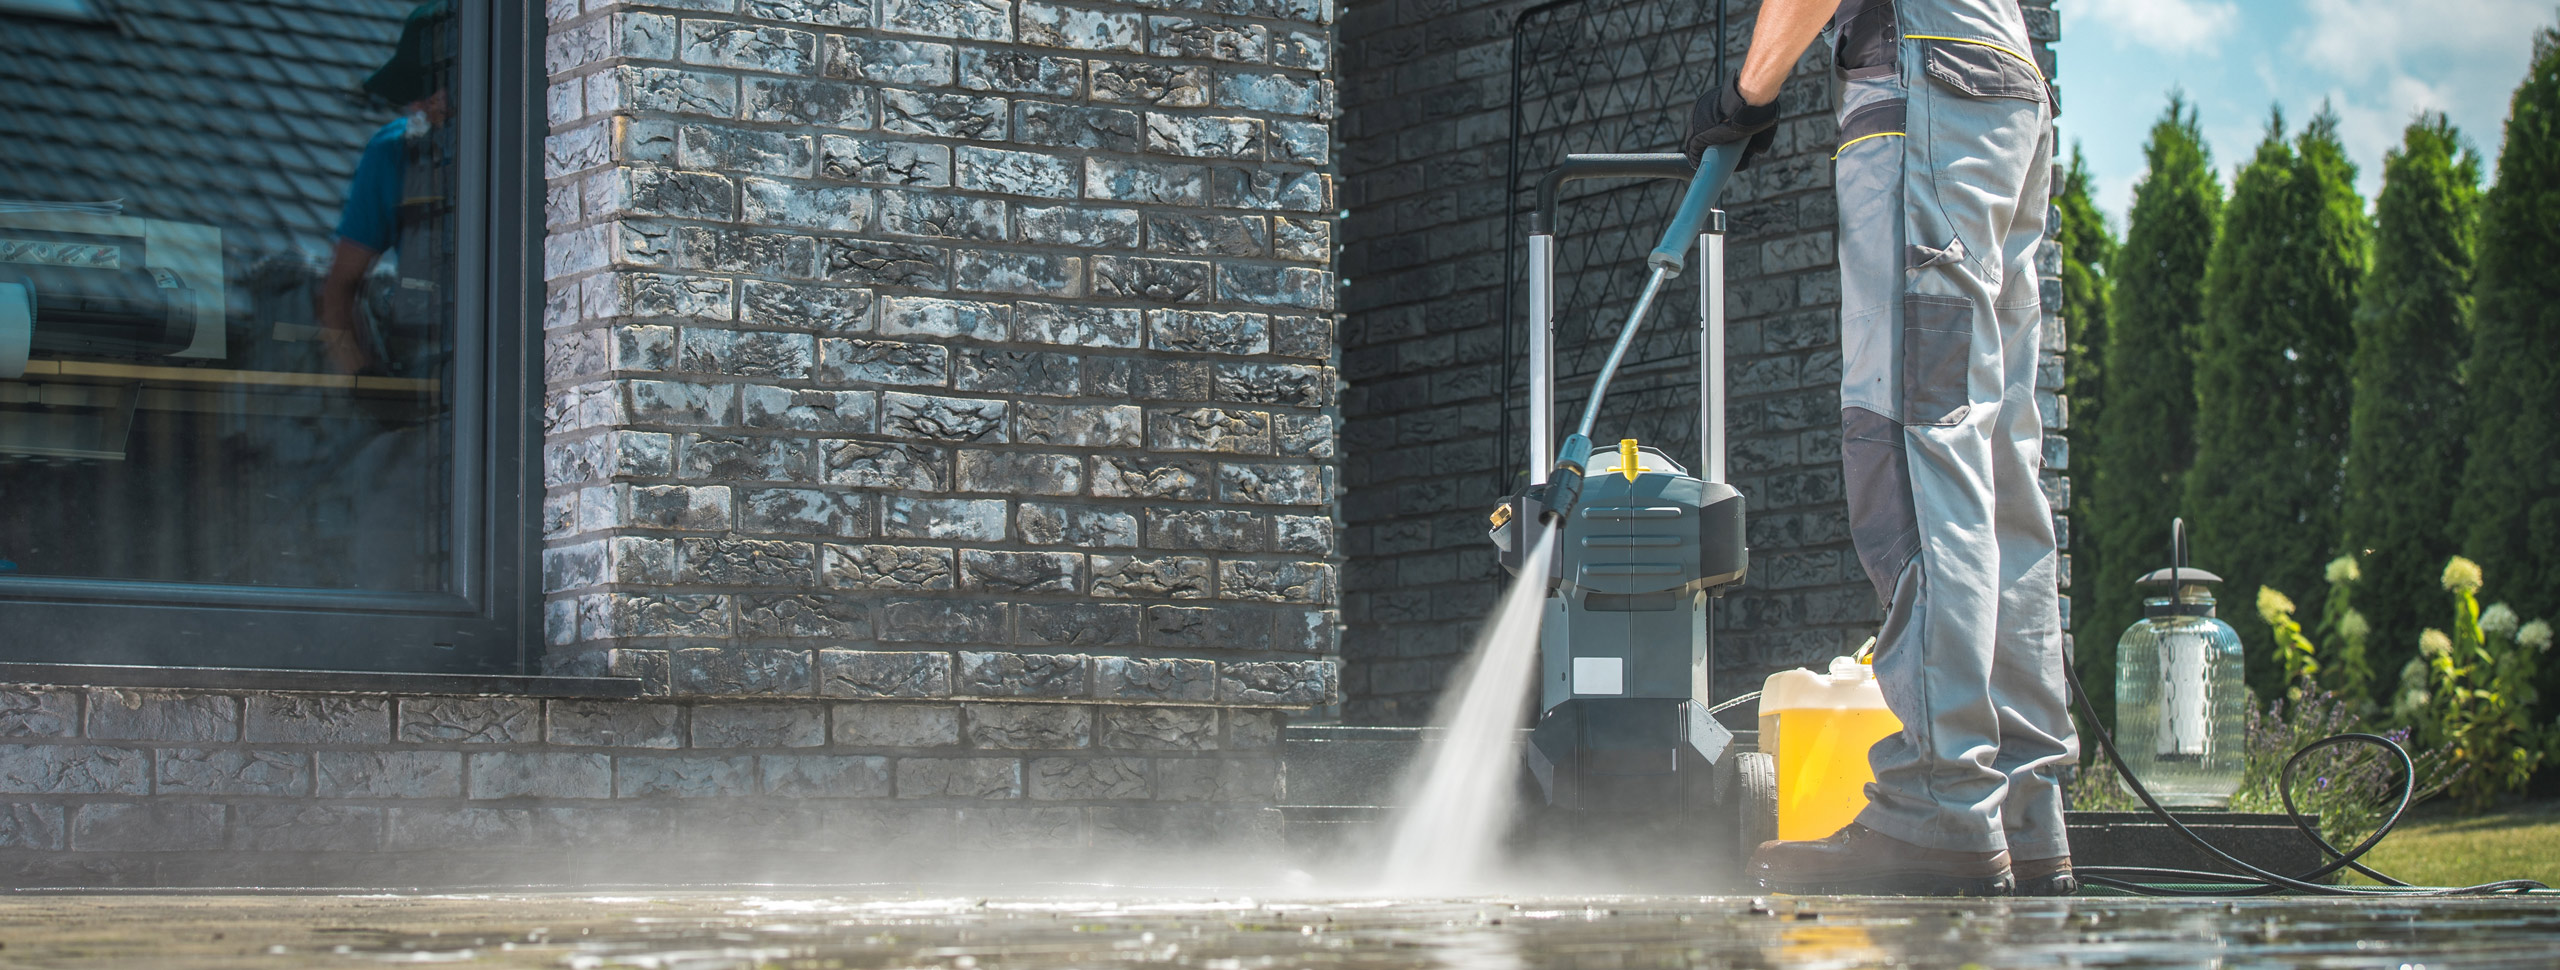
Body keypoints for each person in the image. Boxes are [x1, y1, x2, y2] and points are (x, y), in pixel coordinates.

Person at [1683, 0, 2075, 896]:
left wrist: (1748, 92)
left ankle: (1938, 807)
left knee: (1909, 439)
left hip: (1922, 88)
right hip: (2005, 92)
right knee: (1993, 456)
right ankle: (2020, 803)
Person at [317, 0, 450, 376]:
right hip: (426, 379)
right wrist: (364, 382)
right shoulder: (393, 154)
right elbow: (338, 291)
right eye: (414, 92)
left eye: (429, 90)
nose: (417, 104)